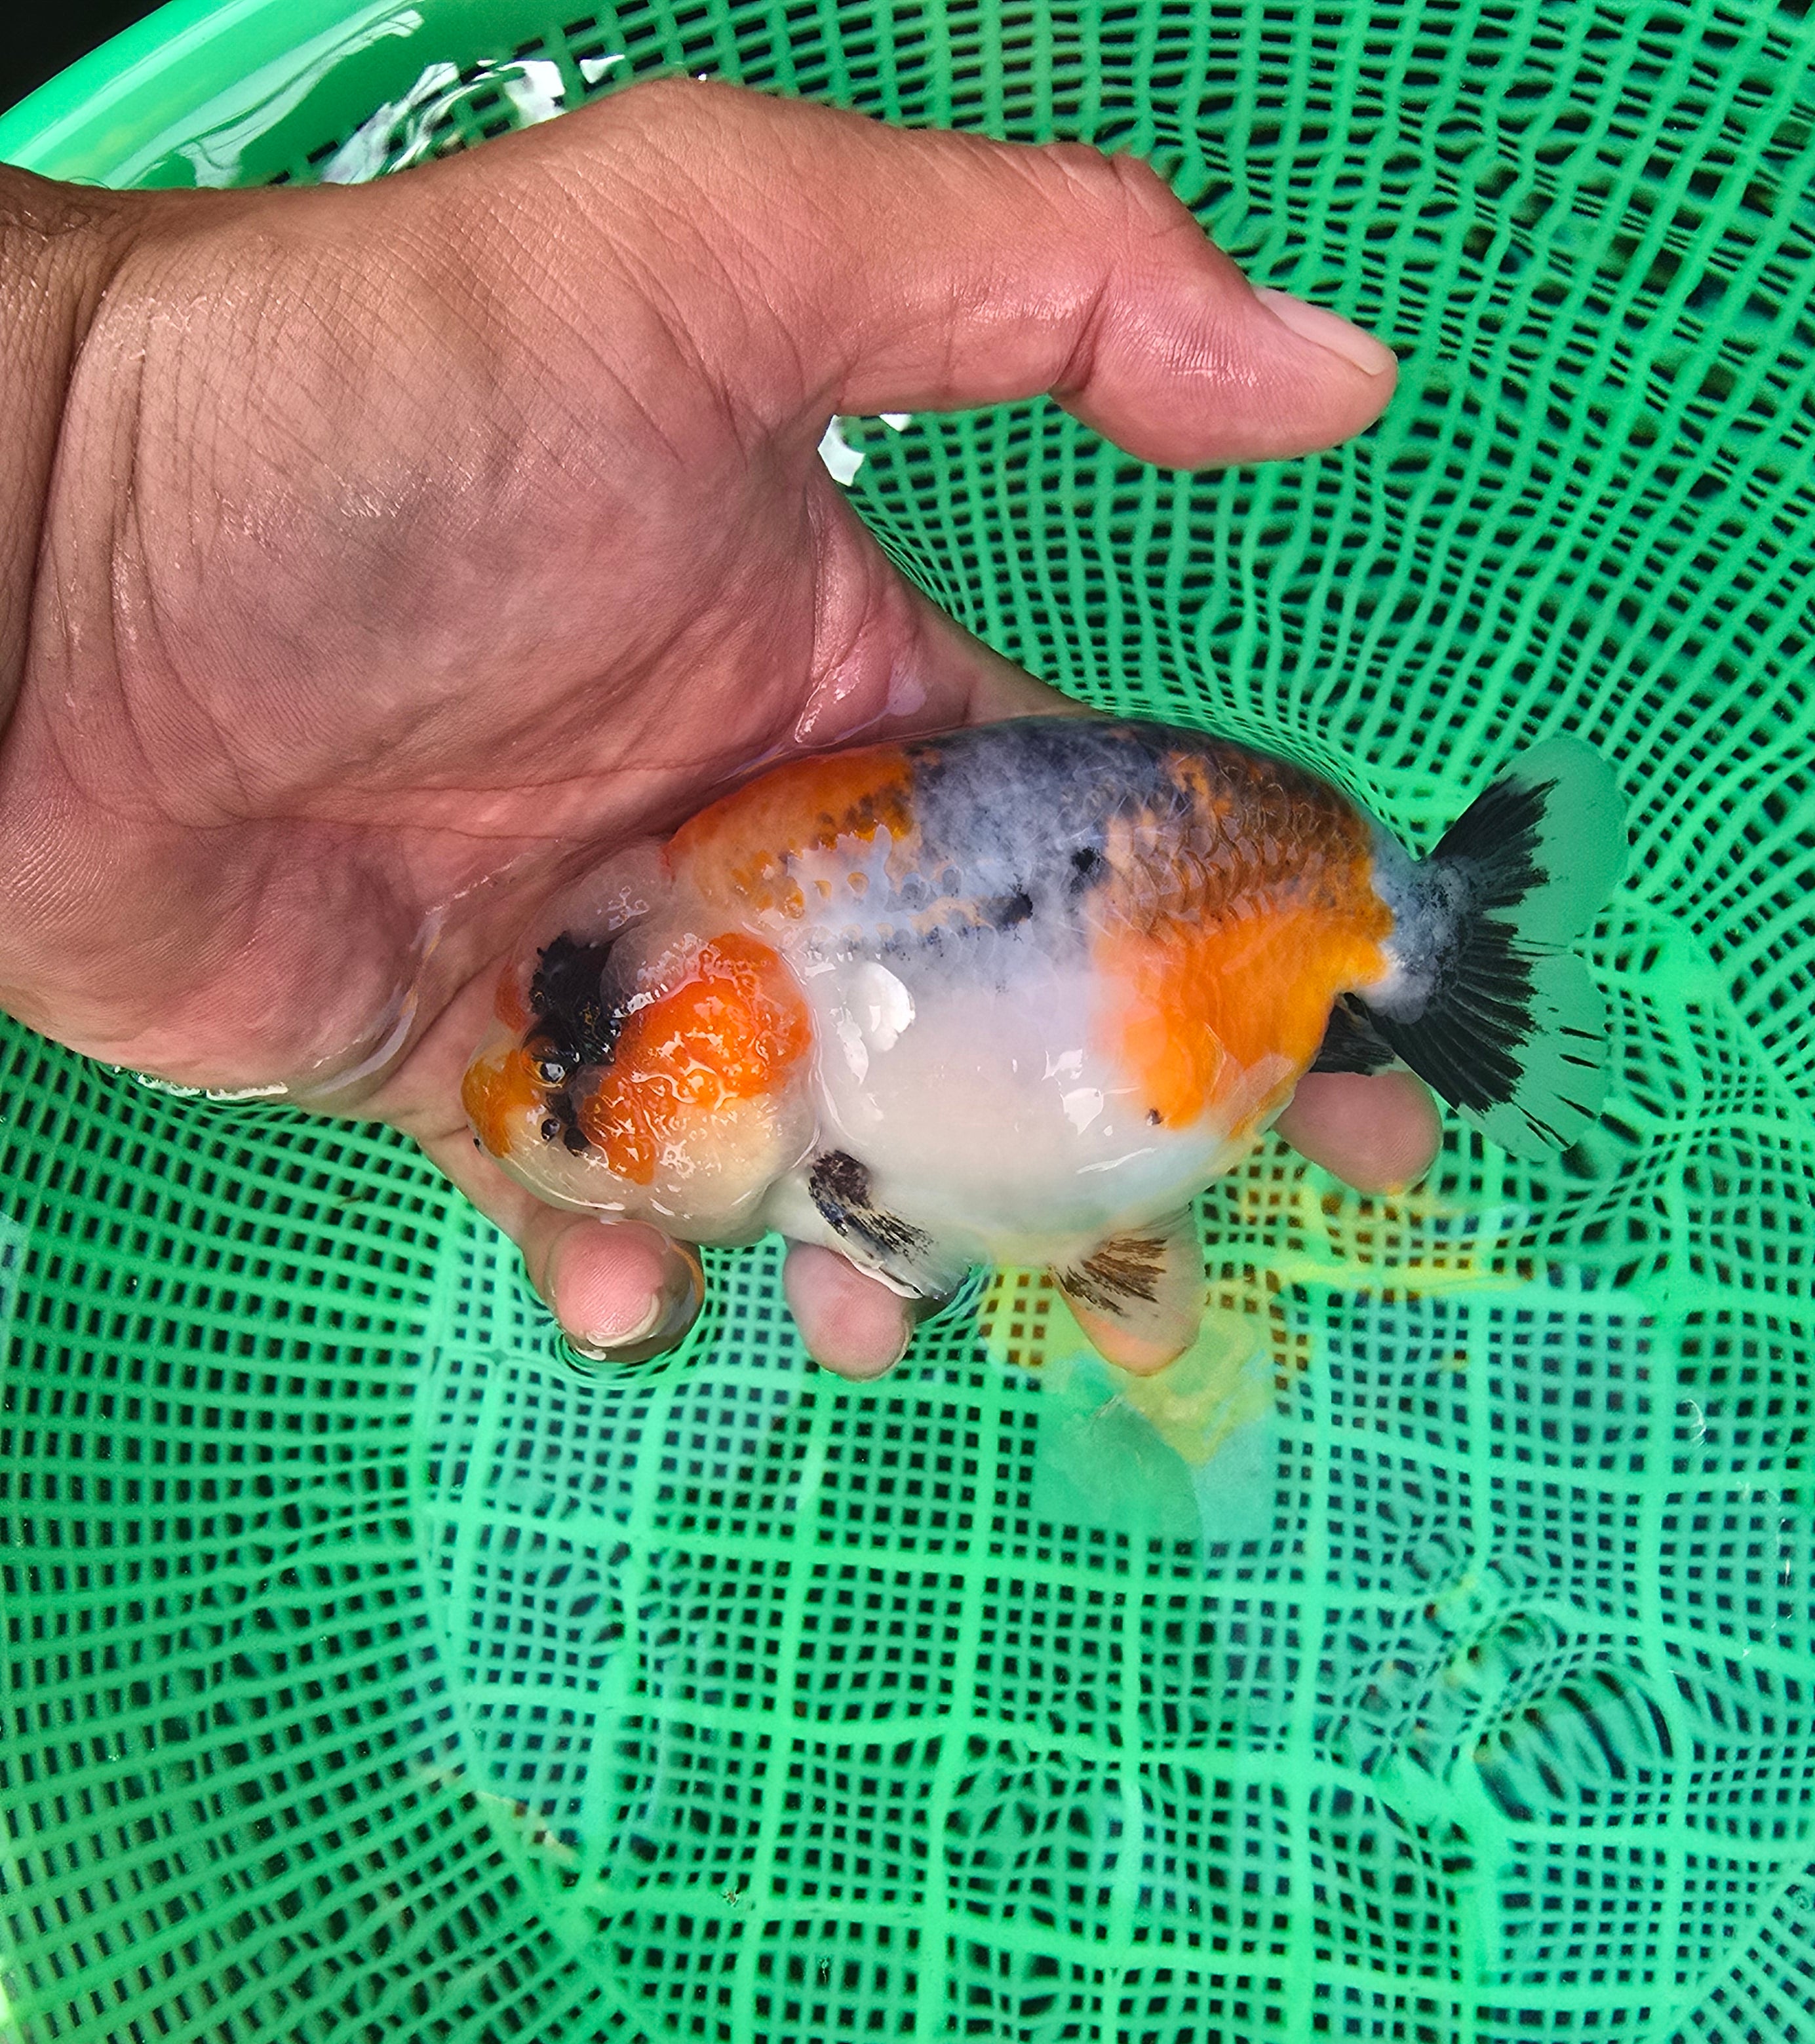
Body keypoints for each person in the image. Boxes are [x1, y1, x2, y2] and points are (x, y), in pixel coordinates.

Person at [0, 75, 1438, 1376]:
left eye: (578, 1074)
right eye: (578, 1067)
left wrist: (83, 454)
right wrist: (80, 464)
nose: (558, 1098)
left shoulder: (756, 970)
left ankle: (1412, 946)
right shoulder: (733, 953)